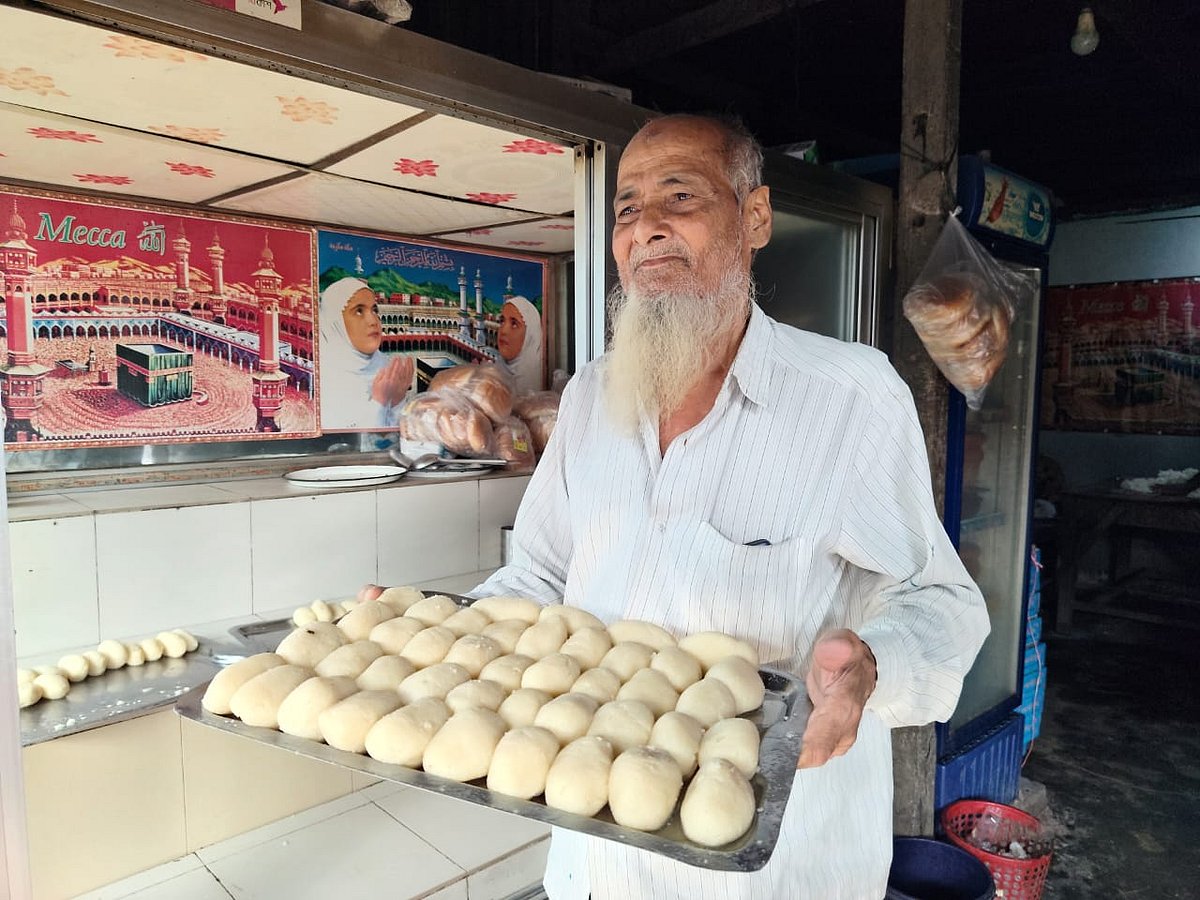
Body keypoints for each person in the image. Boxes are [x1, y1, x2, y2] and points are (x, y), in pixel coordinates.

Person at [367, 114, 988, 898]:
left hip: (772, 870)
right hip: (597, 861)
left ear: (754, 217)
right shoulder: (591, 397)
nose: (646, 228)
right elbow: (540, 576)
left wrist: (872, 667)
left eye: (680, 196)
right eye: (627, 209)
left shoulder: (851, 398)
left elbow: (940, 601)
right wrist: (434, 628)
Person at [319, 276, 414, 429]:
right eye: (359, 311)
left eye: (374, 310)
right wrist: (379, 403)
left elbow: (402, 436)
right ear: (335, 322)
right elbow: (344, 440)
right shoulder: (325, 377)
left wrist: (397, 401)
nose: (373, 321)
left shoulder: (386, 367)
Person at [496, 294, 544, 394]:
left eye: (514, 324)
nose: (503, 331)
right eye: (502, 321)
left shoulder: (537, 381)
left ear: (529, 335)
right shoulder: (496, 370)